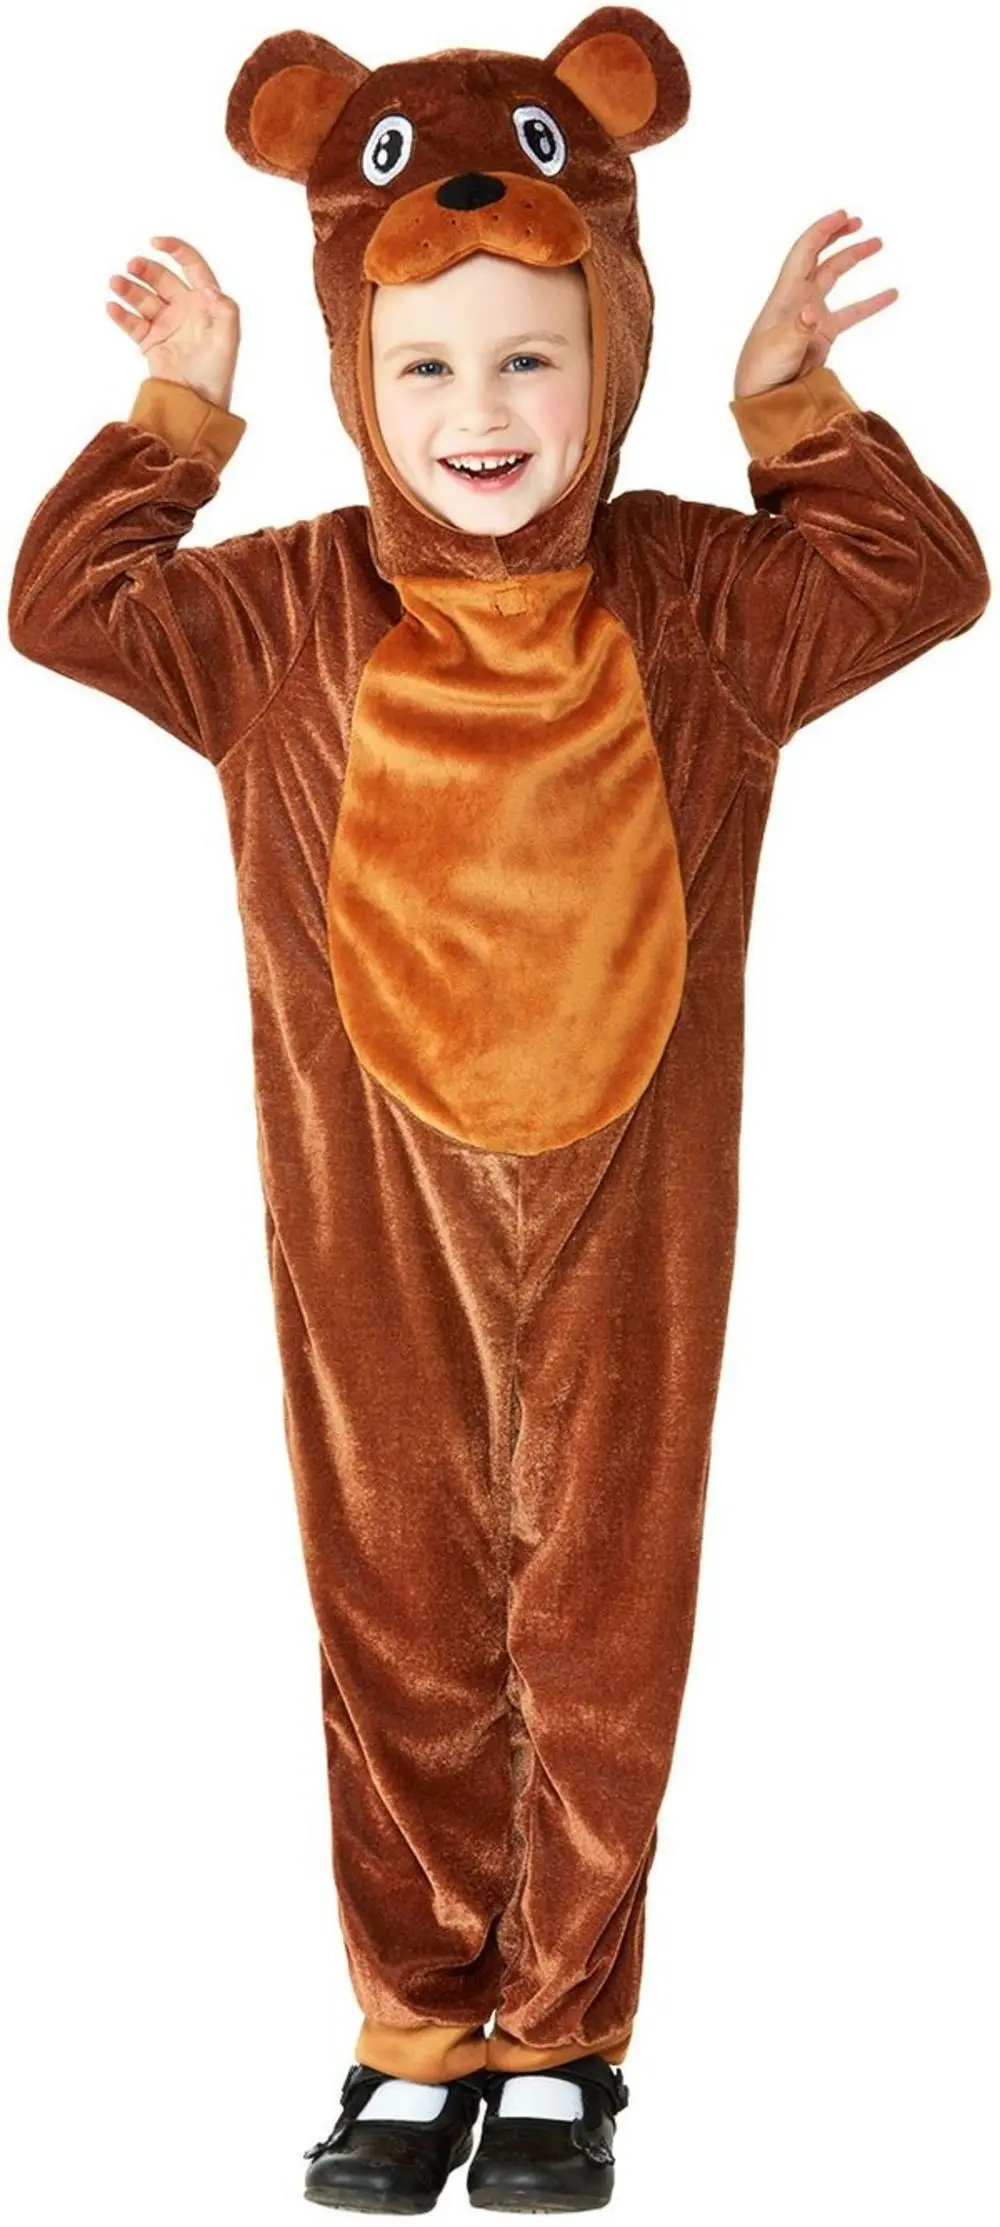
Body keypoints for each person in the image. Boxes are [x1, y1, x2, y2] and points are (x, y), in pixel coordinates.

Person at [7, 12, 990, 2217]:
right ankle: (408, 2016)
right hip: (368, 1220)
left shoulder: (697, 601)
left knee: (603, 1625)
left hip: (636, 1222)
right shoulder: (283, 614)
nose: (482, 410)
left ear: (610, 346)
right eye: (427, 362)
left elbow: (918, 583)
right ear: (358, 377)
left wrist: (787, 411)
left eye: (532, 357)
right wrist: (181, 409)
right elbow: (63, 609)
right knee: (396, 1618)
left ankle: (561, 2030)